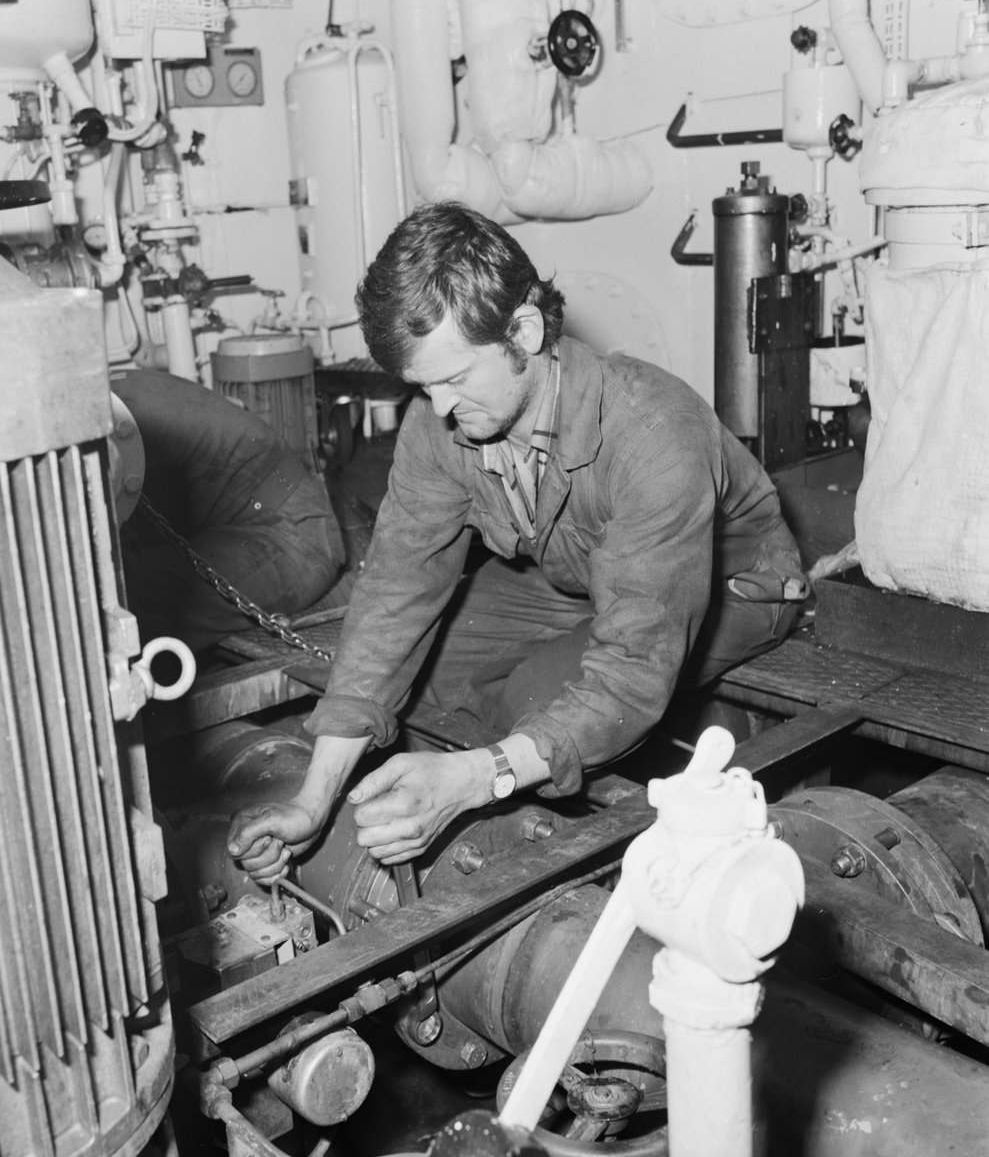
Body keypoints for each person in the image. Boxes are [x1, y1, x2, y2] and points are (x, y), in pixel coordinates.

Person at [228, 202, 806, 881]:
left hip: (731, 584)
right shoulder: (442, 420)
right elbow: (395, 591)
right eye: (421, 385)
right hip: (582, 576)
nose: (439, 408)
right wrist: (313, 798)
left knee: (535, 698)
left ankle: (575, 862)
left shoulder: (654, 433)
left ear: (524, 331)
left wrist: (481, 777)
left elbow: (630, 672)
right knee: (429, 675)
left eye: (453, 378)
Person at [112, 366, 345, 652]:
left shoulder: (115, 432)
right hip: (273, 503)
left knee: (123, 599)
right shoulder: (112, 395)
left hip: (294, 537)